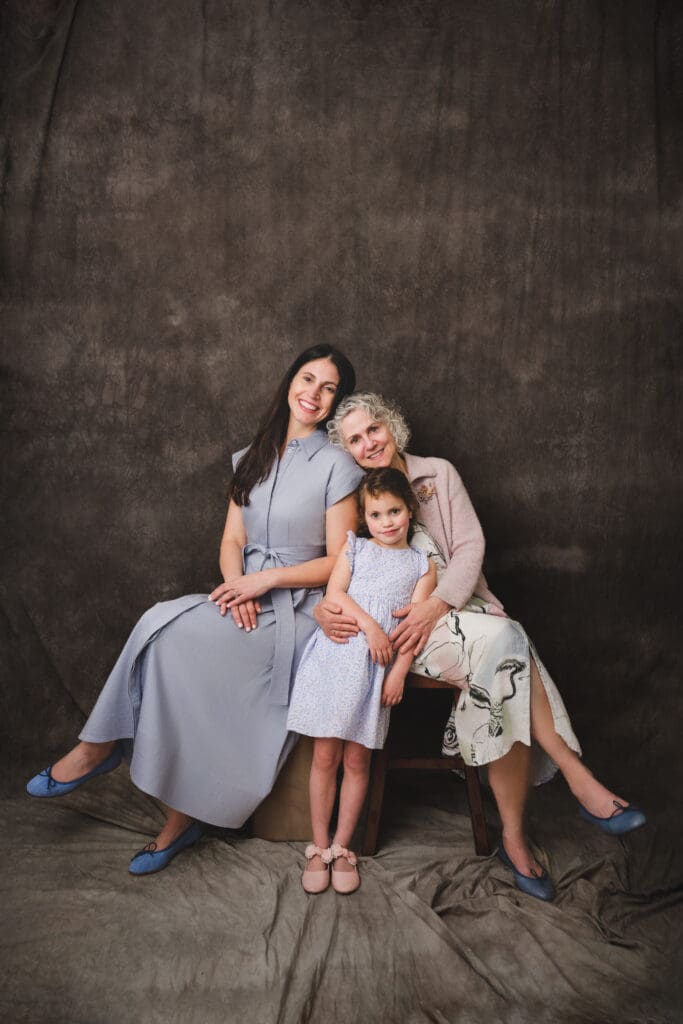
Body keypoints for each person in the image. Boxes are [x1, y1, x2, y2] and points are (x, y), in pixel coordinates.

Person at [26, 345, 364, 875]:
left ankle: (172, 812)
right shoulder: (252, 456)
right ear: (289, 381)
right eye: (307, 378)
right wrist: (236, 587)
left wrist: (264, 581)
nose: (313, 394)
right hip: (244, 592)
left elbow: (343, 560)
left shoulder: (338, 465)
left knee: (193, 651)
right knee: (160, 626)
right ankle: (103, 749)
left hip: (298, 610)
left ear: (335, 403)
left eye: (329, 389)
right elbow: (231, 540)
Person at [317, 392, 646, 902]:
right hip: (396, 633)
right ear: (347, 451)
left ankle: (519, 833)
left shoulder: (438, 474)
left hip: (457, 609)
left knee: (504, 648)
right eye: (355, 440)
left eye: (373, 430)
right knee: (510, 645)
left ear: (391, 426)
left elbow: (471, 546)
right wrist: (326, 607)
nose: (368, 444)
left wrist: (438, 603)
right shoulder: (353, 494)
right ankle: (572, 784)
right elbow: (337, 563)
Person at [287, 468, 437, 894]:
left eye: (394, 511)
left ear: (410, 510)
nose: (386, 522)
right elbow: (335, 595)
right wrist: (371, 627)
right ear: (364, 519)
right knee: (325, 757)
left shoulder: (421, 566)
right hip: (336, 661)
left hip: (374, 674)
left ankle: (342, 848)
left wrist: (400, 672)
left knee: (357, 762)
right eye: (376, 514)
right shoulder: (355, 549)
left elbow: (414, 627)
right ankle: (318, 847)